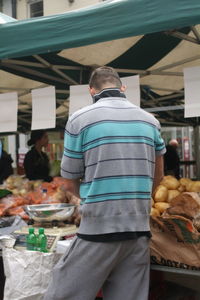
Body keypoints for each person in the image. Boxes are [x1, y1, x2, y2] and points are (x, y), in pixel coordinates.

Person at [44, 66, 165, 300]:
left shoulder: (80, 119)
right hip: (138, 230)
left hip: (99, 228)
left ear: (91, 90)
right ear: (123, 88)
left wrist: (89, 197)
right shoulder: (150, 121)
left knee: (63, 294)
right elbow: (158, 174)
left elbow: (69, 181)